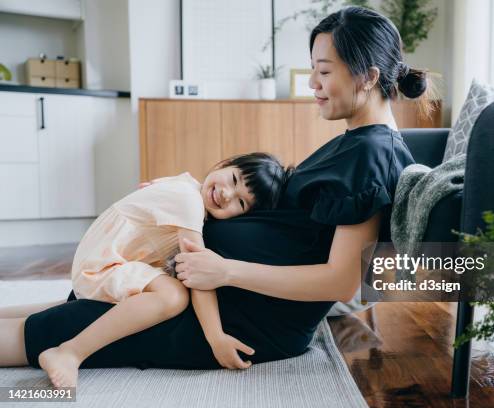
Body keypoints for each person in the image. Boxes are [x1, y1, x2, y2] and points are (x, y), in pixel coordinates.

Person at [0, 6, 433, 375]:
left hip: (243, 319)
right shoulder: (355, 141)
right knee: (68, 307)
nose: (312, 85)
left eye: (323, 72)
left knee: (46, 333)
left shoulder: (372, 153)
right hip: (209, 290)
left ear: (368, 76)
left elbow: (340, 281)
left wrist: (224, 270)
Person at [7, 152, 289, 388]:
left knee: (149, 292)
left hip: (105, 255)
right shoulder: (189, 201)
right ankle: (69, 352)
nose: (226, 194)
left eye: (240, 202)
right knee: (173, 296)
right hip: (104, 260)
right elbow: (197, 273)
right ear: (223, 165)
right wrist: (215, 337)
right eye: (233, 179)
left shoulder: (188, 187)